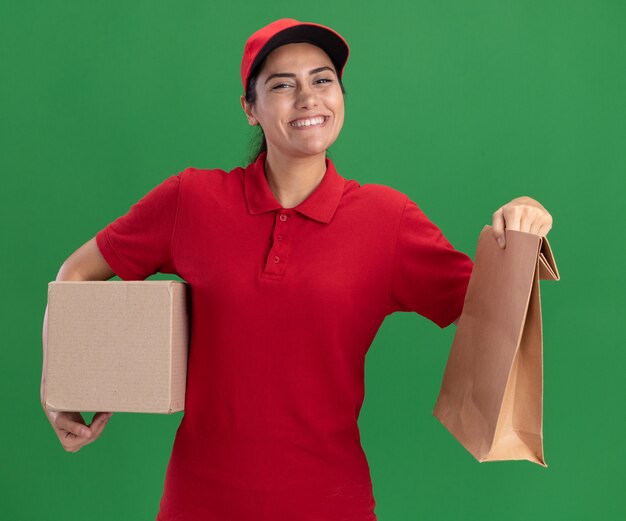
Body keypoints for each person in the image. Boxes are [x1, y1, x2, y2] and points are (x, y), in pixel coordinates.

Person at [41, 17, 553, 521]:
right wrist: (60, 389)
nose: (308, 98)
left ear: (341, 98)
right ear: (250, 109)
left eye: (323, 80)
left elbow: (491, 311)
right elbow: (77, 274)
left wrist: (524, 225)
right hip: (198, 503)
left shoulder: (387, 219)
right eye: (283, 85)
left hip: (332, 503)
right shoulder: (190, 201)